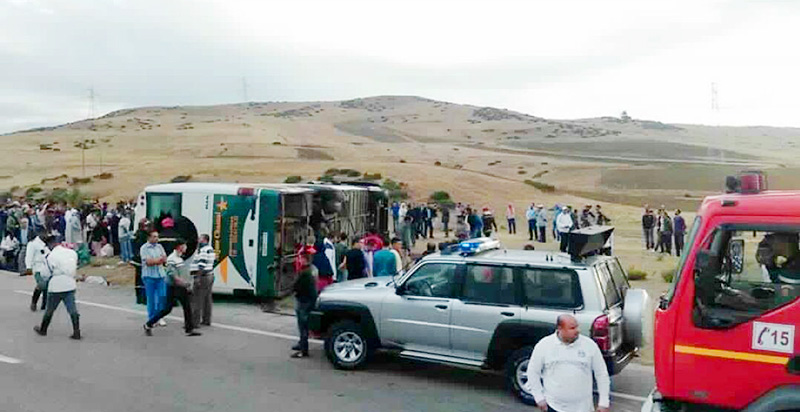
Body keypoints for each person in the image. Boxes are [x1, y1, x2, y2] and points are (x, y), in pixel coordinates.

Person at [526, 314, 610, 412]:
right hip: (554, 407)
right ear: (560, 328)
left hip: (583, 408)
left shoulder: (589, 346)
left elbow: (601, 374)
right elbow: (533, 372)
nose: (577, 330)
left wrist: (604, 402)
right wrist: (539, 397)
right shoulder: (544, 346)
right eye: (572, 328)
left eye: (577, 327)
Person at [143, 238, 201, 337]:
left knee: (183, 307)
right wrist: (184, 283)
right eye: (184, 245)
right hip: (175, 287)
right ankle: (149, 323)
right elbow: (172, 274)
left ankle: (189, 328)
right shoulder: (172, 259)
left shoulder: (179, 258)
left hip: (179, 286)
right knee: (171, 308)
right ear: (180, 247)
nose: (186, 248)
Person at [34, 236, 82, 340]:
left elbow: (45, 274)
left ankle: (43, 329)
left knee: (50, 309)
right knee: (72, 309)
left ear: (51, 245)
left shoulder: (51, 256)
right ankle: (76, 331)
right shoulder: (71, 253)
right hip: (70, 283)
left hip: (56, 285)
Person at [291, 245, 318, 358]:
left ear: (305, 259)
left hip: (303, 301)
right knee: (304, 326)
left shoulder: (305, 273)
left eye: (301, 258)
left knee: (302, 326)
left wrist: (295, 291)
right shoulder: (313, 270)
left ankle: (303, 349)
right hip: (308, 300)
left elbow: (297, 286)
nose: (299, 260)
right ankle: (301, 344)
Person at [140, 230, 168, 327]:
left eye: (157, 236)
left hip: (160, 275)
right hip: (149, 276)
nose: (156, 238)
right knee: (151, 298)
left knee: (162, 297)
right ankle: (152, 318)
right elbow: (148, 262)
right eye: (154, 236)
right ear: (149, 238)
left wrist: (158, 260)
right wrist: (157, 260)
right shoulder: (144, 248)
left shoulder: (159, 247)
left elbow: (164, 258)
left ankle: (160, 317)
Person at [191, 234, 215, 327]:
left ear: (204, 240)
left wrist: (197, 277)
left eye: (200, 238)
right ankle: (206, 319)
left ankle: (195, 322)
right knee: (207, 299)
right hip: (210, 275)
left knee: (197, 299)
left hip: (203, 276)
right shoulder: (210, 249)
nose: (198, 240)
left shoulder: (204, 250)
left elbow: (201, 264)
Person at [26, 230, 50, 311]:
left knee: (47, 287)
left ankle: (45, 304)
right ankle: (34, 302)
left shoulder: (46, 244)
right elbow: (29, 256)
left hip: (47, 268)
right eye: (44, 233)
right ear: (40, 233)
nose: (46, 235)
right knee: (41, 285)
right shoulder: (33, 244)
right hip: (37, 268)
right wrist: (28, 267)